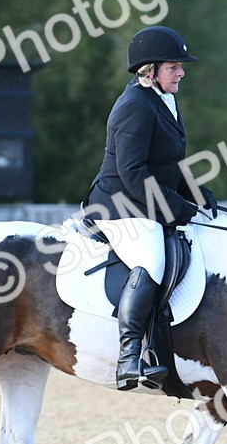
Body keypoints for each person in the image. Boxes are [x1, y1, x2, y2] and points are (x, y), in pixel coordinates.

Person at [82, 26, 217, 390]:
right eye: (174, 67)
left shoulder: (162, 99)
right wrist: (178, 207)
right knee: (152, 258)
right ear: (150, 70)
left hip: (143, 199)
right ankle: (129, 357)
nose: (182, 73)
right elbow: (132, 173)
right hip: (119, 205)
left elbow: (166, 162)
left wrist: (196, 192)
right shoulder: (134, 107)